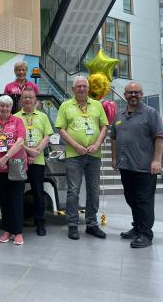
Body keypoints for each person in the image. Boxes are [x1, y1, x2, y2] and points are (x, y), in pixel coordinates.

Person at [110, 82, 163, 248]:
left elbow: (159, 137)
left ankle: (146, 233)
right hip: (126, 166)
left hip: (144, 167)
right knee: (131, 197)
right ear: (125, 95)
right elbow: (113, 137)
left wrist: (157, 160)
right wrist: (114, 158)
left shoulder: (150, 113)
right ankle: (137, 227)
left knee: (143, 200)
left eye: (136, 92)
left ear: (141, 94)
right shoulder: (119, 115)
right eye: (129, 92)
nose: (133, 95)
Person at [55, 76, 108, 240]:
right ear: (73, 89)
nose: (82, 89)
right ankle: (72, 224)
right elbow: (61, 129)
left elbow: (104, 126)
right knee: (73, 190)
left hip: (94, 154)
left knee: (93, 190)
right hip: (74, 155)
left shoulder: (97, 105)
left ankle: (92, 224)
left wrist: (97, 144)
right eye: (78, 86)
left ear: (88, 88)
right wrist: (75, 146)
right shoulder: (65, 106)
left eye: (84, 86)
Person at [0, 95, 27, 245]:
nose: (4, 108)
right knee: (4, 200)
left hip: (15, 166)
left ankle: (18, 232)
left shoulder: (18, 121)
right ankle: (7, 230)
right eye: (2, 105)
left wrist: (6, 157)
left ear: (11, 108)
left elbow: (20, 140)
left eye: (7, 106)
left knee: (16, 199)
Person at [14, 87, 53, 236]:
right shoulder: (16, 117)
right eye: (25, 97)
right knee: (17, 192)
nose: (28, 100)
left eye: (30, 97)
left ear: (35, 100)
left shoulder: (42, 117)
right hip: (19, 160)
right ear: (21, 100)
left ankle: (40, 223)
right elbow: (15, 139)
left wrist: (36, 151)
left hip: (38, 160)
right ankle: (17, 224)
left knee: (38, 192)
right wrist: (28, 151)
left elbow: (47, 136)